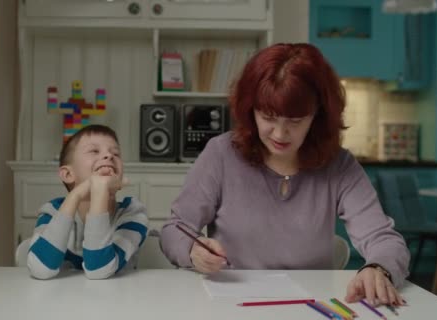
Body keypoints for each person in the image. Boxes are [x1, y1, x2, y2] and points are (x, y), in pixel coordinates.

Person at [160, 43, 410, 306]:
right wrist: (193, 250)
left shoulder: (339, 165)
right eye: (268, 117)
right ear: (250, 110)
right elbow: (174, 230)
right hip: (232, 306)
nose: (280, 134)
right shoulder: (221, 154)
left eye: (295, 121)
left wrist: (379, 269)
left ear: (317, 116)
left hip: (311, 307)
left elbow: (384, 240)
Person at [27, 125, 148, 280]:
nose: (109, 156)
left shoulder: (133, 212)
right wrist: (75, 195)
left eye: (115, 153)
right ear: (68, 174)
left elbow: (99, 270)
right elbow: (41, 269)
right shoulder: (52, 211)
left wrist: (99, 190)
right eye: (94, 151)